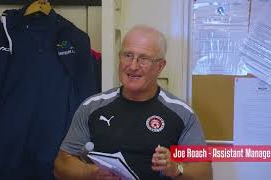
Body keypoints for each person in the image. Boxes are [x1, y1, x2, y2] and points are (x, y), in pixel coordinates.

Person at [54, 25, 212, 180]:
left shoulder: (182, 114)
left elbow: (205, 173)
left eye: (143, 59)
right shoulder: (92, 107)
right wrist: (91, 173)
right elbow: (61, 165)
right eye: (128, 55)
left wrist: (177, 169)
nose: (133, 66)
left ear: (160, 66)